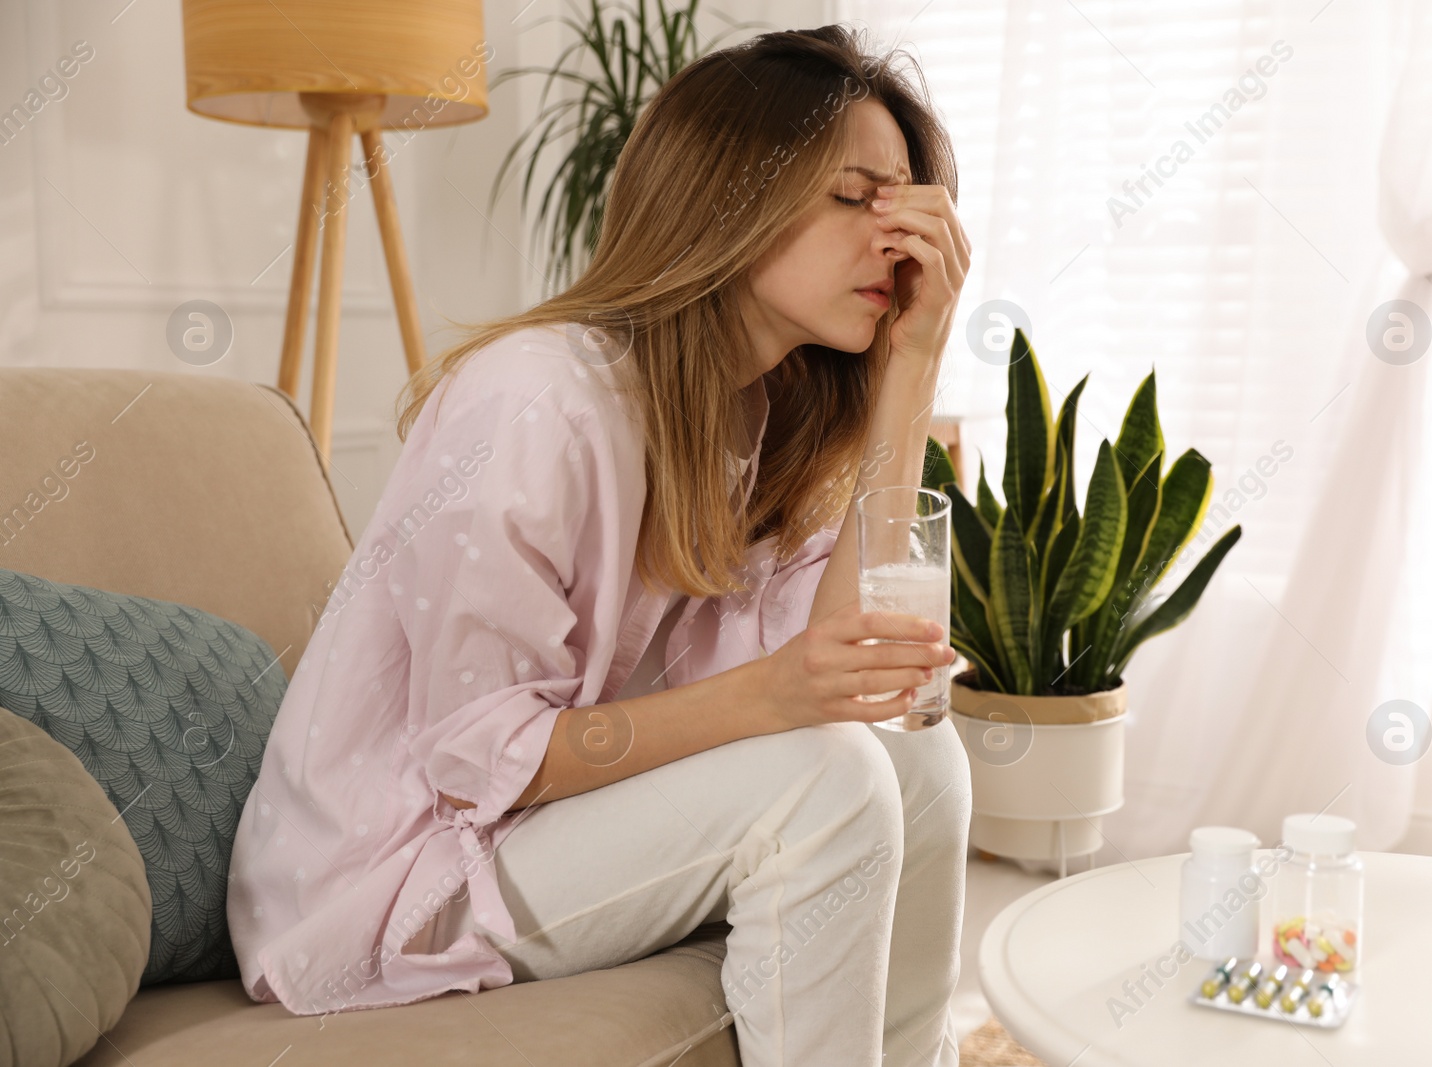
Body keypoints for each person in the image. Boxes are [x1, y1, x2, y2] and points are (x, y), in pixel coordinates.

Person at [226, 22, 973, 1067]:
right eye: (854, 197)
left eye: (904, 206)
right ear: (726, 194)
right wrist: (771, 695)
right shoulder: (538, 399)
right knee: (833, 778)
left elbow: (850, 664)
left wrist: (913, 363)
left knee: (921, 752)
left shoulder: (758, 413)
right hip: (399, 878)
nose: (893, 239)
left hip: (554, 826)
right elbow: (478, 758)